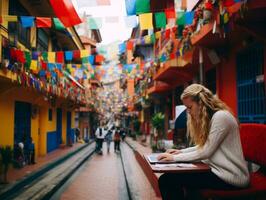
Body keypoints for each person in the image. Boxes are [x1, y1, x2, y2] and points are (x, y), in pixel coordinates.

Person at [157, 84, 250, 200]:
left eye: (190, 107)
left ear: (201, 103)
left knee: (167, 180)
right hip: (217, 172)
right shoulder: (212, 118)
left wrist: (174, 158)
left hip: (230, 177)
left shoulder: (221, 117)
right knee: (171, 179)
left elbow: (206, 151)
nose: (188, 112)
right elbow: (204, 146)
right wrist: (179, 152)